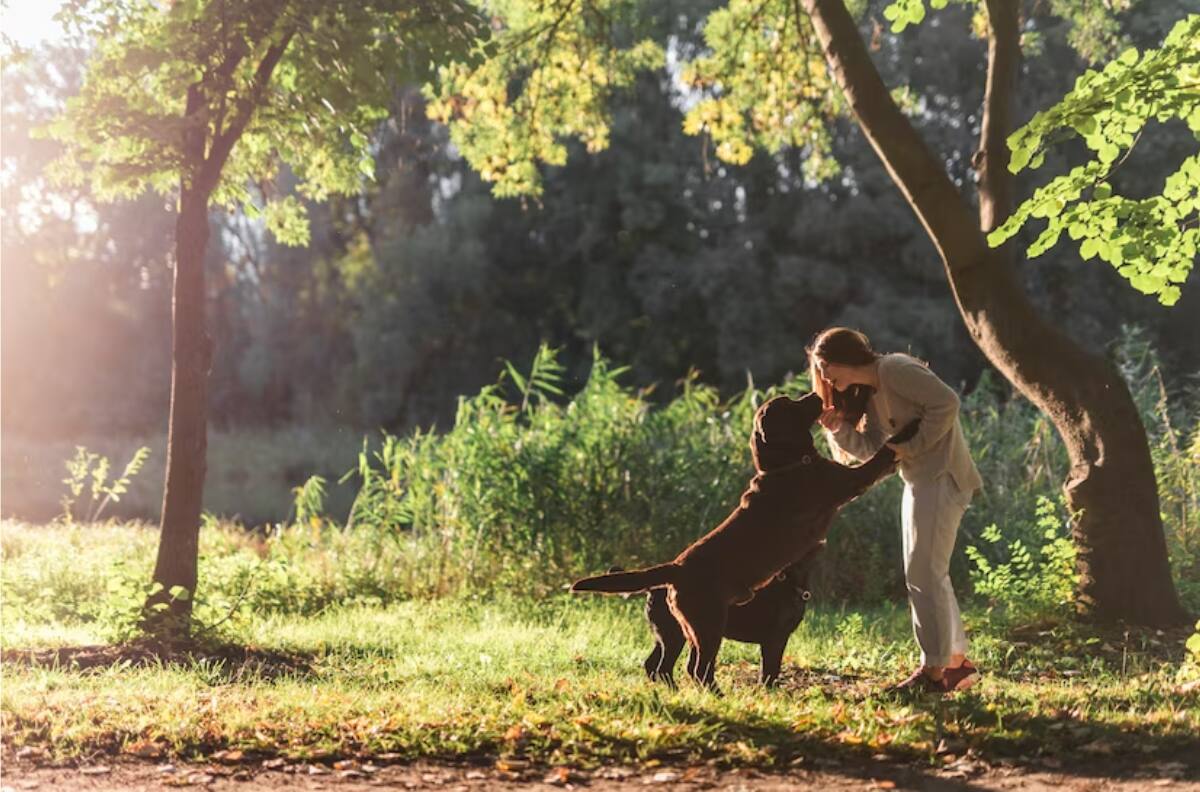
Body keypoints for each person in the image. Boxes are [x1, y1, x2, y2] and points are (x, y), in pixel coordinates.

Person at [808, 327, 983, 694]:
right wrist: (839, 429)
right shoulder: (872, 394)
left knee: (924, 573)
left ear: (843, 359)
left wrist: (910, 446)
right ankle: (954, 665)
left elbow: (947, 403)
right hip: (919, 481)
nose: (823, 377)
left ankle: (932, 673)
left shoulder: (895, 369)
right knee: (928, 573)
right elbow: (873, 451)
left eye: (825, 367)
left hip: (942, 476)